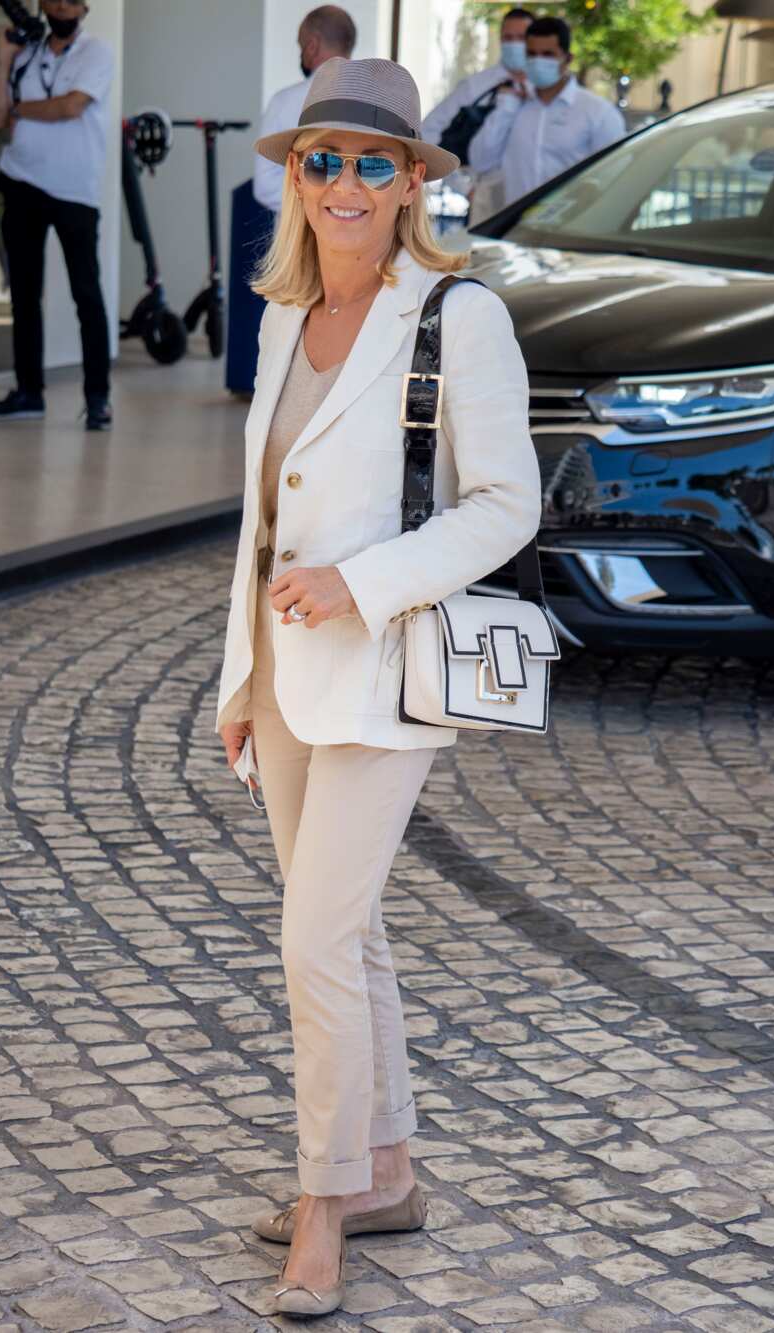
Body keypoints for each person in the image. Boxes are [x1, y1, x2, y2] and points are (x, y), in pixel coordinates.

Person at [216, 56, 540, 1317]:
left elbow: (504, 507)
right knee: (347, 936)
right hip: (287, 677)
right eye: (318, 160)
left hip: (385, 671)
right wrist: (237, 679)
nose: (340, 183)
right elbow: (253, 523)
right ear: (294, 178)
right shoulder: (281, 314)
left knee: (314, 944)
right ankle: (390, 1171)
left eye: (368, 163)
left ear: (411, 182)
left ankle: (325, 1203)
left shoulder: (459, 318)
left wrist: (365, 580)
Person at [0, 0, 114, 431]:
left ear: (84, 8)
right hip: (21, 183)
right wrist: (3, 61)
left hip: (74, 192)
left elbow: (70, 107)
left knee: (86, 296)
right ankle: (28, 393)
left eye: (70, 1)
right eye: (53, 0)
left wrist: (22, 109)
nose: (60, 7)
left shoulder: (97, 53)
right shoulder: (27, 54)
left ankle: (97, 399)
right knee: (23, 295)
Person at [469, 15, 625, 209]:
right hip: (515, 228)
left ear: (567, 59)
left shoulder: (597, 112)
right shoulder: (514, 104)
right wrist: (506, 108)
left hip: (568, 231)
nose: (538, 60)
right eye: (532, 54)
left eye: (548, 54)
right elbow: (480, 161)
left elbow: (614, 178)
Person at [421, 6, 533, 223]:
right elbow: (428, 131)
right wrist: (464, 185)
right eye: (508, 38)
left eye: (521, 37)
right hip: (486, 207)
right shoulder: (477, 87)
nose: (514, 44)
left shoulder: (543, 92)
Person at [252, 5, 356, 214]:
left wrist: (320, 208)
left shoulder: (284, 102)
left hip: (301, 238)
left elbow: (265, 187)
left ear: (312, 46)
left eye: (301, 46)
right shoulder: (375, 101)